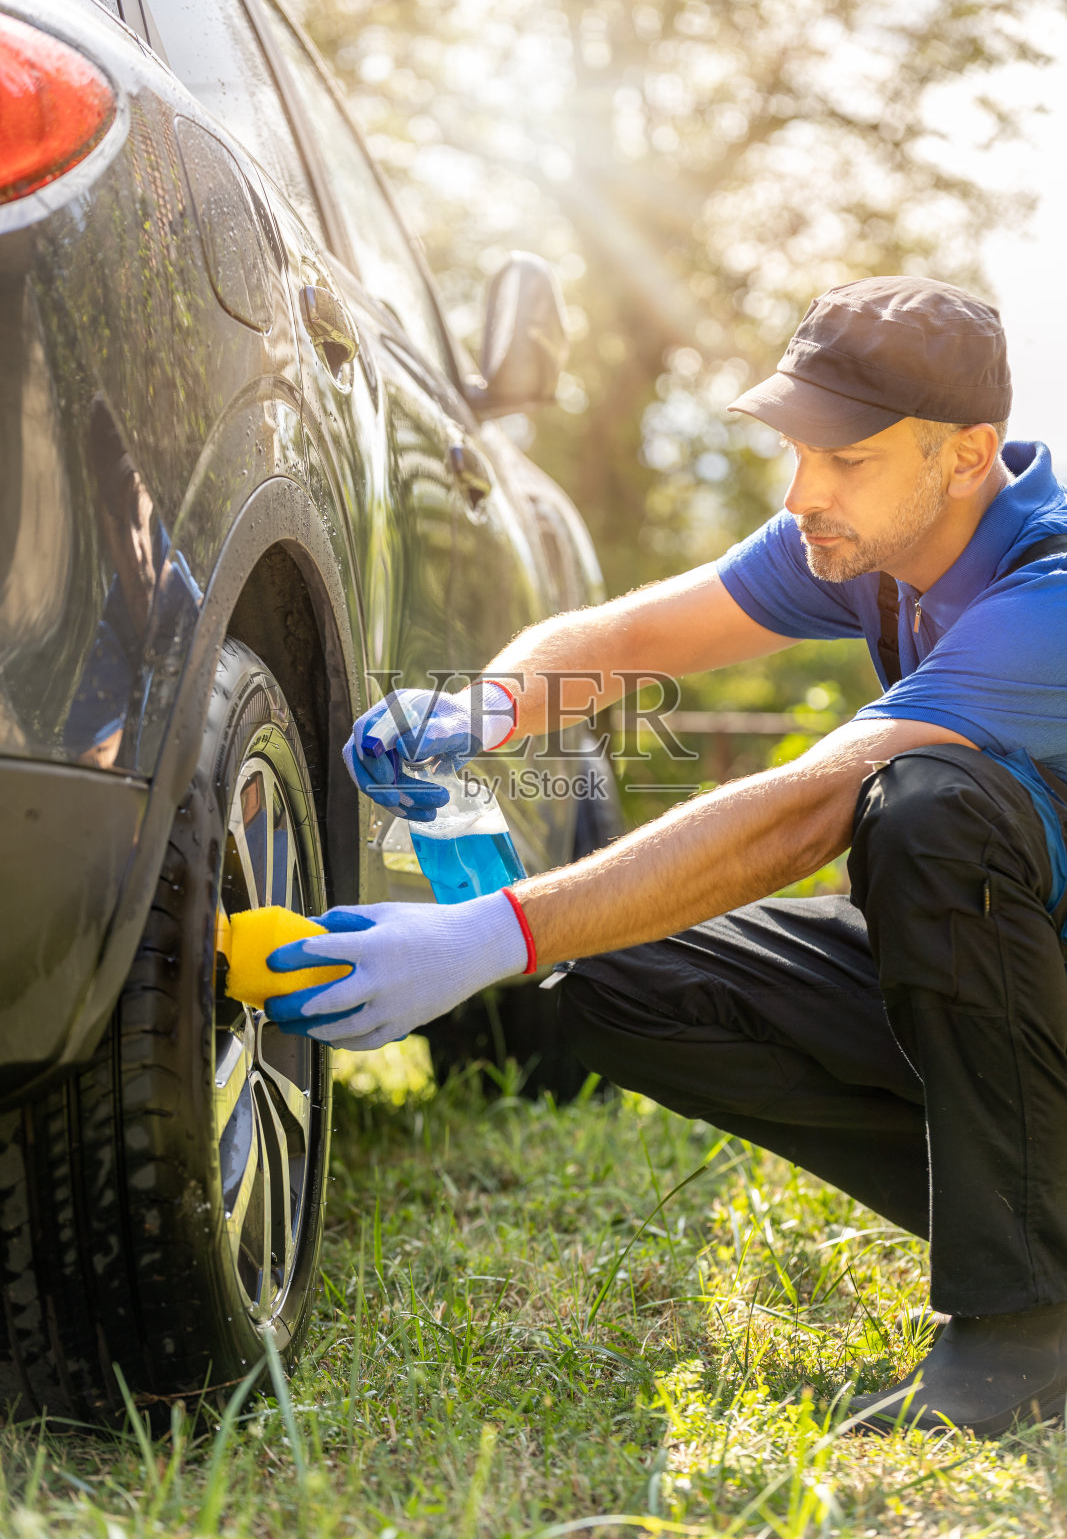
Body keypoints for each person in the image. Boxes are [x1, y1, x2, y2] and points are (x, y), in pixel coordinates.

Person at [264, 276, 1067, 1437]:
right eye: (798, 450)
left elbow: (801, 811)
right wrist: (483, 708)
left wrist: (486, 934)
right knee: (603, 971)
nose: (802, 492)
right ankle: (1034, 1219)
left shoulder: (1046, 596)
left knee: (923, 809)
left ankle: (1023, 1325)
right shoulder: (867, 540)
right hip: (1027, 999)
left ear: (965, 455)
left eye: (844, 459)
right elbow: (635, 633)